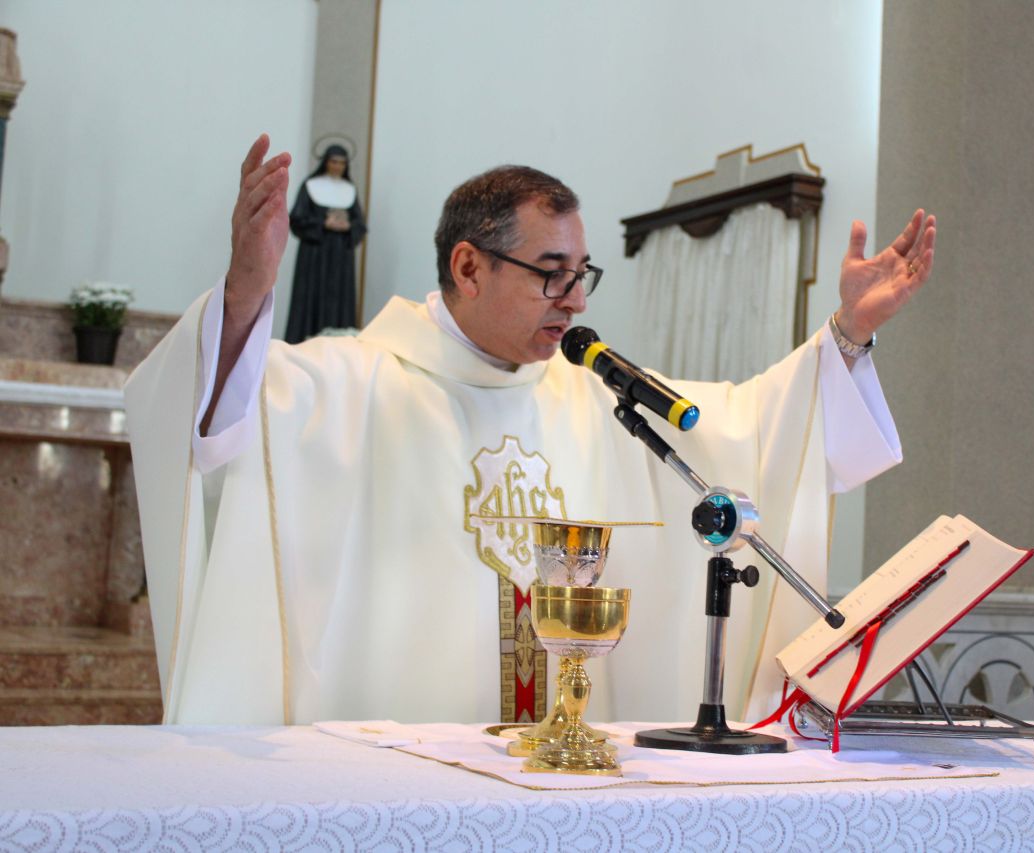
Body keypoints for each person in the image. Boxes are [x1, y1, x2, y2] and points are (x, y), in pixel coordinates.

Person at [125, 134, 935, 726]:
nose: (575, 300)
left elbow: (753, 427)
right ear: (468, 267)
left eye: (582, 275)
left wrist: (847, 337)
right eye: (551, 275)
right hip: (399, 792)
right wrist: (244, 294)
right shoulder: (351, 385)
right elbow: (216, 422)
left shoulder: (596, 399)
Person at [284, 144, 367, 343]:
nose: (337, 166)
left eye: (342, 163)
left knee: (339, 297)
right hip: (314, 254)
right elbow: (297, 219)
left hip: (341, 256)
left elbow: (360, 224)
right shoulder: (310, 186)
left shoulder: (350, 189)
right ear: (326, 162)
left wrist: (348, 226)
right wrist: (323, 223)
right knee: (311, 295)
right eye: (334, 162)